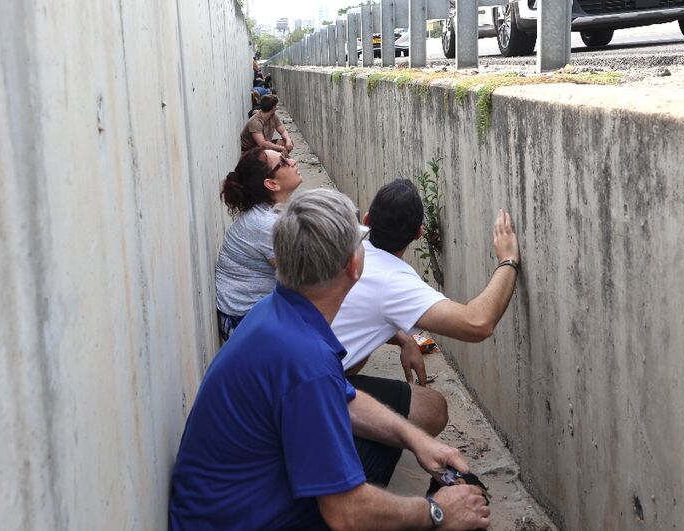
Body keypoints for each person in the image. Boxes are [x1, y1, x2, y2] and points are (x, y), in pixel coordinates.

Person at [170, 188, 491, 530]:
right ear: (353, 265)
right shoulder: (306, 361)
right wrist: (435, 511)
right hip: (238, 520)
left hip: (227, 508)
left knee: (385, 452)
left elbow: (344, 399)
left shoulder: (278, 313)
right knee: (458, 514)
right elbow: (347, 513)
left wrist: (416, 439)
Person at [332, 178, 520, 425]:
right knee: (433, 409)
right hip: (310, 392)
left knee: (361, 352)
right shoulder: (394, 281)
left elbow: (360, 306)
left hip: (285, 367)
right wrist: (508, 260)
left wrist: (403, 339)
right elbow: (478, 323)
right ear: (419, 234)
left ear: (366, 220)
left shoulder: (340, 235)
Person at [215, 146, 303, 341]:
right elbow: (302, 277)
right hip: (244, 324)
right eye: (283, 161)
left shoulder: (270, 211)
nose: (293, 162)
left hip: (255, 315)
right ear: (271, 184)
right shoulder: (266, 225)